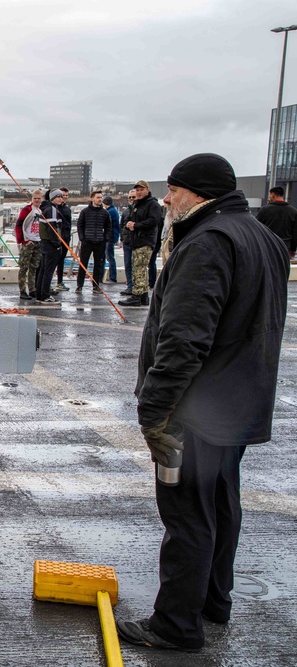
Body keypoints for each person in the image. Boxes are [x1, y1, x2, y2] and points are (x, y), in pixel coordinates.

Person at [116, 153, 289, 652]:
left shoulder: (209, 242)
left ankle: (175, 624)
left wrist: (155, 410)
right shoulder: (262, 238)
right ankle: (214, 601)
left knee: (186, 514)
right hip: (235, 407)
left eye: (173, 189)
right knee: (220, 503)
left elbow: (184, 339)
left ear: (199, 194)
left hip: (192, 412)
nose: (166, 198)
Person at [117, 180, 161, 307]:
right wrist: (129, 225)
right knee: (138, 267)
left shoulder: (152, 204)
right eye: (137, 190)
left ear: (147, 190)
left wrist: (136, 225)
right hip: (136, 240)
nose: (139, 192)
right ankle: (143, 295)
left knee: (139, 268)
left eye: (141, 189)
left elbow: (154, 220)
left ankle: (136, 295)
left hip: (145, 240)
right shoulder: (138, 204)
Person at [74, 190, 111, 292]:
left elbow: (108, 227)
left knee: (98, 265)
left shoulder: (105, 213)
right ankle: (80, 285)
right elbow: (80, 225)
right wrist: (82, 238)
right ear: (92, 198)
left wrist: (105, 238)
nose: (100, 199)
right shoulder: (85, 212)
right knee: (83, 264)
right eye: (98, 197)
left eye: (101, 197)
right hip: (87, 241)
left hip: (99, 241)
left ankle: (95, 285)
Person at [35, 190, 66, 303]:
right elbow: (52, 229)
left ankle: (40, 294)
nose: (60, 199)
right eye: (57, 197)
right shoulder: (52, 210)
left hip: (44, 243)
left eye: (61, 197)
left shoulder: (45, 208)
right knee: (48, 271)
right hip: (50, 244)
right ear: (52, 198)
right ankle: (45, 295)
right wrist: (57, 244)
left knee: (43, 270)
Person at [15, 189, 43, 300]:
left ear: (42, 199)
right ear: (32, 199)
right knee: (24, 267)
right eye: (35, 198)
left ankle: (32, 289)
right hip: (28, 241)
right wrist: (23, 240)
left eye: (38, 198)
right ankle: (22, 290)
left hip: (37, 240)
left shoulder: (40, 211)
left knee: (34, 267)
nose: (36, 200)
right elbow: (18, 225)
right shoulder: (27, 210)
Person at [256, 186, 297, 259]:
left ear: (273, 195)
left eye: (270, 195)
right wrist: (293, 249)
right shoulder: (293, 211)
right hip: (285, 248)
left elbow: (256, 228)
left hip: (268, 247)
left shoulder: (265, 210)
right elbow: (295, 233)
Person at [54, 188, 73, 290]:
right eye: (62, 195)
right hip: (56, 238)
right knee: (52, 261)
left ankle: (59, 281)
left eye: (66, 195)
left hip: (65, 238)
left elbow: (69, 224)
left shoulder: (67, 209)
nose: (64, 197)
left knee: (61, 260)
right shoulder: (54, 209)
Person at [120, 192, 137, 294]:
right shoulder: (126, 211)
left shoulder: (140, 211)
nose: (131, 199)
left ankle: (136, 287)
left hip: (137, 242)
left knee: (137, 265)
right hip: (127, 241)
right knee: (127, 264)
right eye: (130, 197)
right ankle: (130, 286)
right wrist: (122, 237)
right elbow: (121, 225)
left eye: (133, 197)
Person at [102, 195, 121, 282]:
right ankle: (112, 276)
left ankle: (113, 277)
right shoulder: (114, 211)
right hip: (113, 236)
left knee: (109, 257)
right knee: (110, 256)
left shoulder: (110, 212)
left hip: (110, 237)